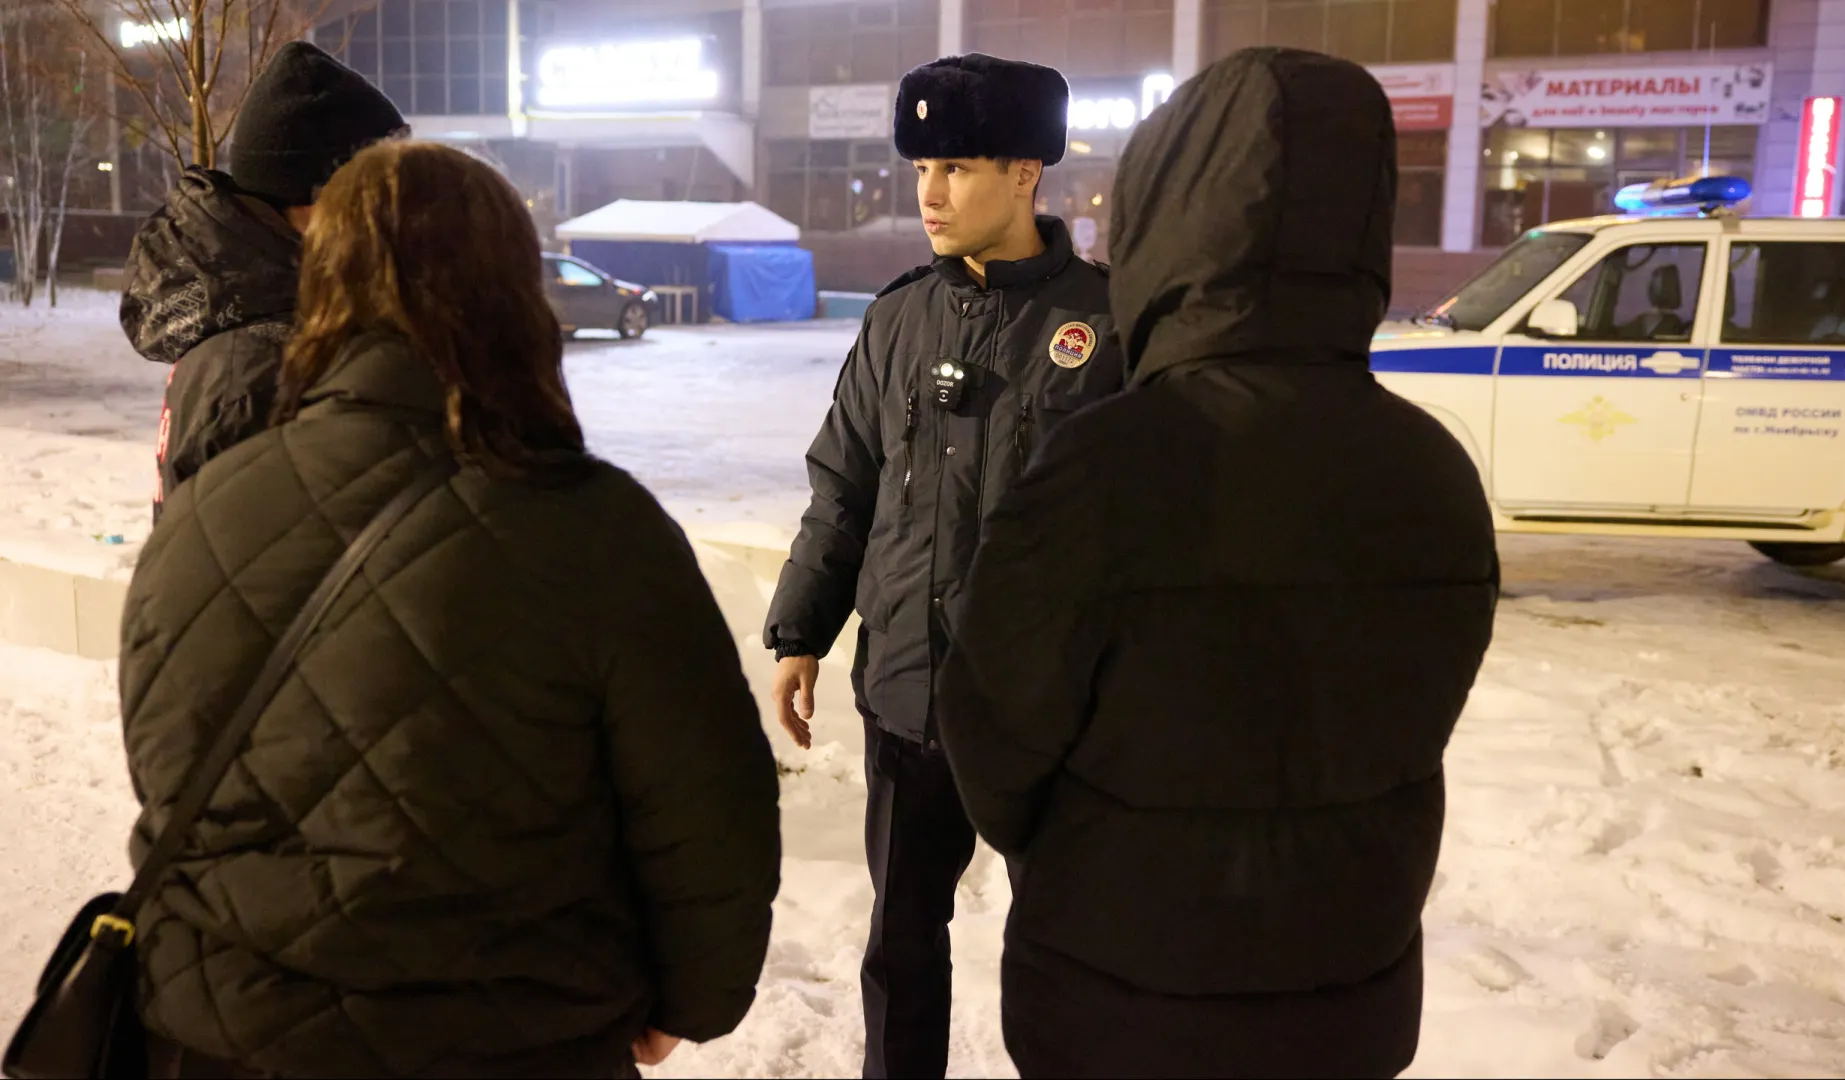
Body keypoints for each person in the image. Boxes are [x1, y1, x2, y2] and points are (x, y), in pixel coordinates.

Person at [119, 141, 782, 1079]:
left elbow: (166, 772)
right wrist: (693, 997)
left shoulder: (200, 517)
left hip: (222, 1036)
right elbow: (709, 809)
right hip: (515, 1037)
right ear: (516, 295)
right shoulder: (600, 532)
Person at [935, 48, 1501, 1079]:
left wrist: (1061, 848)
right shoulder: (1434, 471)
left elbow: (992, 724)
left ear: (1166, 223)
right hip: (1351, 992)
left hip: (1119, 993)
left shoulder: (1109, 460)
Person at [762, 53, 1125, 1079]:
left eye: (957, 165)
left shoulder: (1105, 326)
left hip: (1048, 715)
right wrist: (800, 632)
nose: (929, 192)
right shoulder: (895, 321)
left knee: (1069, 955)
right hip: (908, 695)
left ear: (1025, 173)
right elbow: (844, 489)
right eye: (920, 166)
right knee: (900, 946)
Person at [121, 40, 408, 524]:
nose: (398, 211)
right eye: (384, 187)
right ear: (321, 197)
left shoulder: (263, 314)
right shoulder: (260, 368)